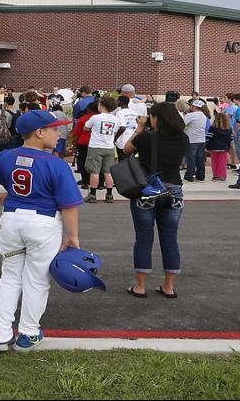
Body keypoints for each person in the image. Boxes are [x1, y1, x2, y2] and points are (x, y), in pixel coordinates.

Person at [0, 109, 81, 352]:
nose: (58, 133)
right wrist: (72, 235)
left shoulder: (6, 156)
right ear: (39, 132)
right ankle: (28, 333)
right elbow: (68, 205)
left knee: (9, 277)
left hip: (12, 219)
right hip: (43, 223)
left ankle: (0, 335)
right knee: (36, 280)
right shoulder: (55, 164)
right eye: (53, 129)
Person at [125, 103, 188, 300]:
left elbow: (126, 149)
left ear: (157, 119)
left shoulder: (146, 137)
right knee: (170, 238)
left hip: (148, 190)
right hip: (174, 190)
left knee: (144, 238)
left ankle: (140, 285)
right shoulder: (183, 139)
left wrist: (140, 128)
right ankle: (169, 286)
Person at [82, 105, 121, 202]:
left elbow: (86, 127)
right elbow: (115, 132)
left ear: (103, 105)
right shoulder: (116, 119)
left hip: (96, 146)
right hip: (109, 147)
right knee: (108, 172)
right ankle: (109, 195)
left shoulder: (95, 117)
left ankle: (92, 195)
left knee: (94, 171)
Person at [182, 98, 208, 181]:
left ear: (194, 106)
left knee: (191, 158)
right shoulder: (203, 115)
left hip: (191, 139)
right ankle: (201, 176)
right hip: (201, 139)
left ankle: (189, 175)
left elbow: (182, 124)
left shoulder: (191, 115)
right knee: (200, 158)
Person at [205, 111, 234, 181]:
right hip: (224, 147)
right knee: (222, 162)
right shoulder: (229, 128)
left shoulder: (213, 128)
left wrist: (206, 145)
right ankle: (222, 176)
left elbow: (208, 137)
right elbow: (231, 138)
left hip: (214, 147)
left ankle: (216, 175)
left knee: (214, 161)